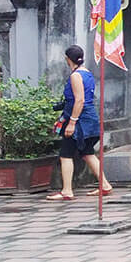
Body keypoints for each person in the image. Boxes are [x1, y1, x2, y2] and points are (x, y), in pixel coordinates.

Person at [47, 45, 112, 201]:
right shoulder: (87, 73)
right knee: (87, 153)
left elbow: (80, 100)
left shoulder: (75, 76)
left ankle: (67, 190)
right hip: (89, 118)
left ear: (67, 59)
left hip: (80, 120)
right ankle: (105, 185)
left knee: (65, 154)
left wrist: (72, 123)